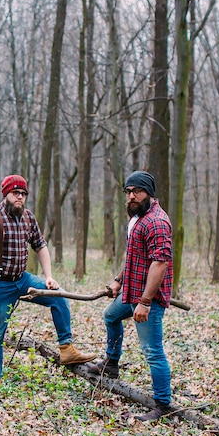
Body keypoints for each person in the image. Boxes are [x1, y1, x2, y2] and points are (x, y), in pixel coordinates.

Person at [0, 174, 96, 386]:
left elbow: (40, 245)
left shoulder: (28, 217)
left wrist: (49, 277)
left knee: (58, 298)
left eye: (23, 194)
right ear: (6, 194)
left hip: (22, 280)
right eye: (15, 193)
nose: (20, 197)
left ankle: (66, 348)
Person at [87, 170, 174, 421]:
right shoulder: (137, 218)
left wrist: (145, 302)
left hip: (148, 297)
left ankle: (163, 405)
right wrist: (118, 280)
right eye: (128, 192)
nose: (132, 196)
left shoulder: (157, 222)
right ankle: (111, 364)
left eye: (137, 191)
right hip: (131, 289)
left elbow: (159, 263)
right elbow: (134, 256)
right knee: (111, 316)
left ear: (149, 193)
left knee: (152, 351)